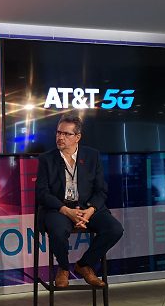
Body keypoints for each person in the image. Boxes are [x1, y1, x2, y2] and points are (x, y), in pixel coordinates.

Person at [35, 114, 124, 288]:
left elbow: (101, 190)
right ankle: (63, 268)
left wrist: (90, 210)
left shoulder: (92, 156)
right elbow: (42, 193)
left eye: (66, 134)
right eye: (58, 132)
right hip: (59, 209)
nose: (60, 137)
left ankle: (84, 265)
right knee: (57, 230)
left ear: (77, 137)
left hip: (86, 208)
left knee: (114, 229)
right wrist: (66, 211)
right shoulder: (46, 159)